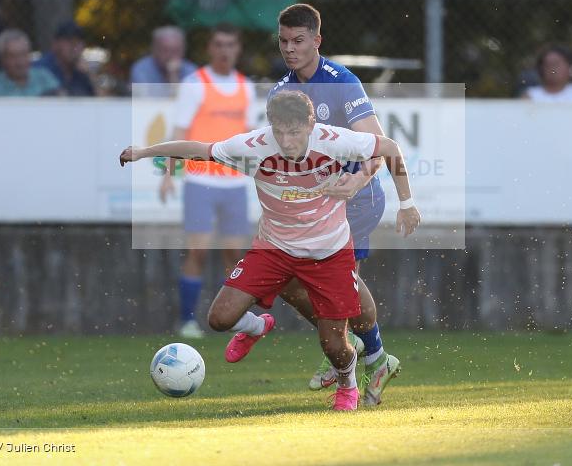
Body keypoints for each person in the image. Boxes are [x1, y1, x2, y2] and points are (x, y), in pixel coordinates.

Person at [119, 90, 421, 411]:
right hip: (272, 251)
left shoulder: (333, 141)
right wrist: (144, 151)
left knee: (335, 344)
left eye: (294, 132)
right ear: (270, 126)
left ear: (311, 124)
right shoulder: (253, 147)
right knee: (219, 319)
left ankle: (347, 384)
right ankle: (257, 326)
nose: (287, 141)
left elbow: (390, 147)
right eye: (279, 132)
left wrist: (407, 203)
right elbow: (200, 150)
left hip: (328, 253)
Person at [268, 3, 399, 407]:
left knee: (336, 284)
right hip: (317, 205)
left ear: (317, 40)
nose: (290, 49)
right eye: (284, 41)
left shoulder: (341, 82)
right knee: (300, 282)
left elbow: (378, 147)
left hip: (357, 199)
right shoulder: (280, 92)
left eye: (299, 41)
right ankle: (367, 353)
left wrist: (357, 179)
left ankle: (354, 355)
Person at [161, 23, 256, 338]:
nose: (224, 50)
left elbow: (253, 139)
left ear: (238, 48)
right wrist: (168, 175)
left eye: (230, 44)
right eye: (219, 44)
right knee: (198, 251)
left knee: (234, 255)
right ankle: (187, 320)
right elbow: (179, 133)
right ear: (210, 48)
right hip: (200, 180)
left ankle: (236, 321)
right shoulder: (195, 83)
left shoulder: (246, 86)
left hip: (235, 184)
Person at [0, 29, 60, 97]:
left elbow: (61, 98)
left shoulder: (43, 76)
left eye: (24, 54)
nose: (20, 62)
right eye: (13, 56)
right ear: (2, 59)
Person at [31, 21, 94, 97]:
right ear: (55, 44)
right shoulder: (40, 69)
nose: (74, 47)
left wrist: (91, 75)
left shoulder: (82, 72)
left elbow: (103, 101)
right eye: (69, 41)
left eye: (78, 42)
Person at [130, 26, 197, 97]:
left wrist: (173, 77)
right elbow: (144, 100)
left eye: (176, 50)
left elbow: (190, 101)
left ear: (183, 51)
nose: (171, 55)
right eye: (166, 50)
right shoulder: (141, 69)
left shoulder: (191, 71)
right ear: (154, 50)